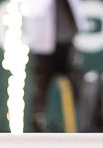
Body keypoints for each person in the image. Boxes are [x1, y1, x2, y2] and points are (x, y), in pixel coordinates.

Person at [24, 0, 86, 132]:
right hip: (43, 50)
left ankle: (86, 127)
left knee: (79, 87)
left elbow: (78, 13)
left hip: (66, 45)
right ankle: (36, 128)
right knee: (40, 90)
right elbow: (34, 9)